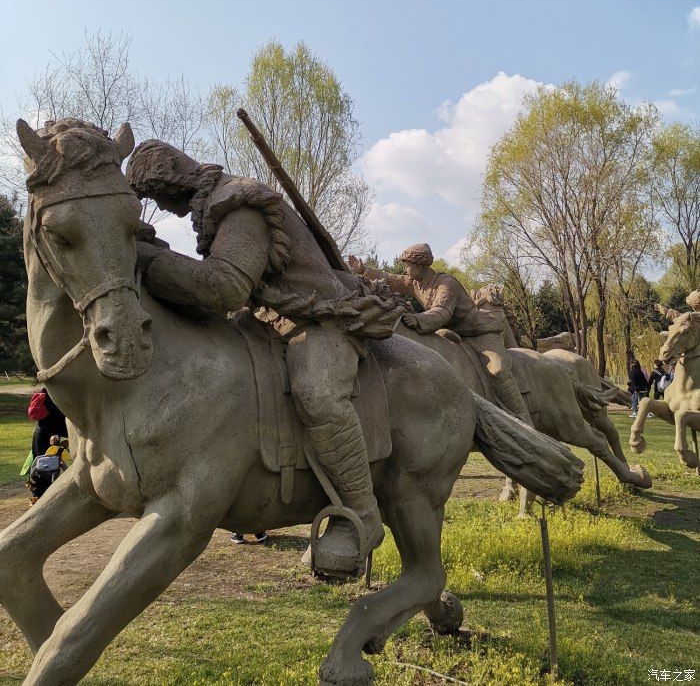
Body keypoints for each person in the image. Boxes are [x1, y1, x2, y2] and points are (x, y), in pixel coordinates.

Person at [126, 140, 404, 576]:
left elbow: (224, 288)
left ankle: (362, 516)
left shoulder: (237, 205)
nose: (161, 207)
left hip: (320, 321)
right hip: (272, 322)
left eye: (157, 198)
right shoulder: (212, 206)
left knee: (318, 392)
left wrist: (149, 257)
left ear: (169, 183)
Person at [348, 246, 533, 426]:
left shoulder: (446, 284)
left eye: (408, 265)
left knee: (497, 370)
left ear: (420, 265)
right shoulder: (416, 283)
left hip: (480, 332)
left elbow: (441, 313)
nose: (405, 269)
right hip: (453, 332)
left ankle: (523, 419)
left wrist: (418, 319)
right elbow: (391, 279)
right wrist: (363, 270)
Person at [28, 435, 71, 503]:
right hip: (54, 469)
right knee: (62, 465)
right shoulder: (62, 450)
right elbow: (68, 460)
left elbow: (46, 458)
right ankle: (69, 476)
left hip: (44, 469)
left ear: (51, 442)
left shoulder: (50, 449)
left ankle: (31, 479)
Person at [27, 387, 67, 458]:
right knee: (44, 462)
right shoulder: (56, 398)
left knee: (39, 459)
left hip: (40, 431)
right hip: (48, 434)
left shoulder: (45, 393)